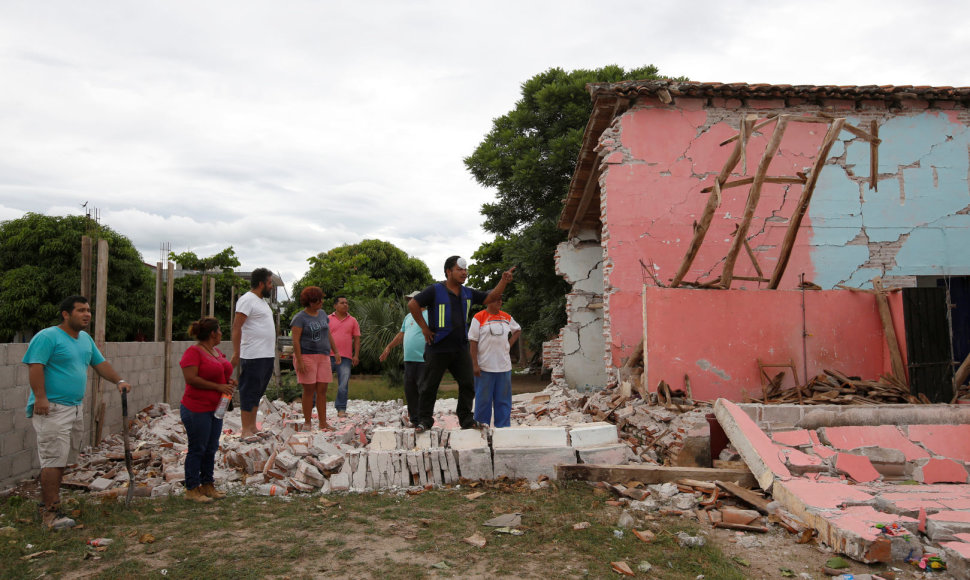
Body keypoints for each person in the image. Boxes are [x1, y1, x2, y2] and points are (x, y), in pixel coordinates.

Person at [22, 296, 132, 530]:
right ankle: (50, 514)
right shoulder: (48, 336)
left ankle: (49, 503)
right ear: (65, 314)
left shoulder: (84, 339)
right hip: (51, 408)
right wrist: (40, 397)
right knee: (52, 459)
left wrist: (118, 380)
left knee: (63, 459)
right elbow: (35, 366)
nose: (87, 314)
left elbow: (99, 363)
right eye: (81, 310)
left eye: (89, 310)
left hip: (74, 408)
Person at [408, 256, 514, 431]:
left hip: (460, 348)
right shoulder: (434, 290)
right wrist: (425, 329)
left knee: (467, 384)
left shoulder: (468, 293)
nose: (464, 273)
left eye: (465, 270)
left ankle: (466, 419)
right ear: (449, 271)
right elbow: (413, 304)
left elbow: (491, 297)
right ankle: (424, 420)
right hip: (438, 347)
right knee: (429, 386)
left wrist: (503, 281)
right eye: (460, 269)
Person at [179, 317, 235, 503]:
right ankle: (192, 487)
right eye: (219, 331)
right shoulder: (193, 352)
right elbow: (191, 379)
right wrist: (218, 387)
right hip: (197, 408)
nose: (221, 334)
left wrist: (227, 383)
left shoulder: (216, 352)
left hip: (215, 408)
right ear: (212, 333)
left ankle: (208, 484)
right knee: (198, 447)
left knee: (211, 447)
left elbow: (222, 372)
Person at [231, 267, 276, 438]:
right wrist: (236, 352)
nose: (271, 286)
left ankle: (253, 427)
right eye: (270, 283)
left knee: (258, 391)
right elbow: (236, 327)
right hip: (253, 355)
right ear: (261, 283)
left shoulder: (262, 302)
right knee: (249, 390)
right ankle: (245, 430)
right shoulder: (247, 300)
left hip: (266, 354)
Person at [291, 286, 341, 431]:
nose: (321, 302)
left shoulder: (323, 314)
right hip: (307, 356)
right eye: (317, 300)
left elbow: (328, 334)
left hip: (323, 356)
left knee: (322, 390)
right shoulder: (299, 318)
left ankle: (323, 422)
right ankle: (307, 422)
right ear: (310, 302)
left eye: (321, 299)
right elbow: (295, 340)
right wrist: (299, 360)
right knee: (309, 389)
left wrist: (335, 351)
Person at [468, 297, 521, 428]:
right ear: (487, 302)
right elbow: (473, 342)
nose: (499, 302)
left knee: (503, 401)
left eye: (501, 300)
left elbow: (517, 330)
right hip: (484, 368)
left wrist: (509, 344)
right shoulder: (479, 317)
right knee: (483, 401)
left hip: (504, 368)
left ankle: (503, 430)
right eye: (496, 299)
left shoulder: (506, 317)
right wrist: (475, 364)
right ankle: (482, 429)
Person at [379, 291, 428, 427]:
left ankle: (424, 419)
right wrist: (389, 347)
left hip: (424, 360)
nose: (409, 303)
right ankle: (414, 419)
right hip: (409, 360)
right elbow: (401, 335)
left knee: (423, 390)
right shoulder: (408, 317)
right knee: (410, 389)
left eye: (412, 300)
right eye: (409, 300)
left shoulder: (429, 315)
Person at [328, 296, 360, 418]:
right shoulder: (327, 319)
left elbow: (357, 339)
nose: (345, 305)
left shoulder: (353, 320)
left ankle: (341, 408)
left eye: (347, 303)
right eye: (342, 303)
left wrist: (356, 355)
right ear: (335, 305)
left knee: (343, 383)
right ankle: (314, 405)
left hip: (346, 357)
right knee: (321, 382)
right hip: (328, 355)